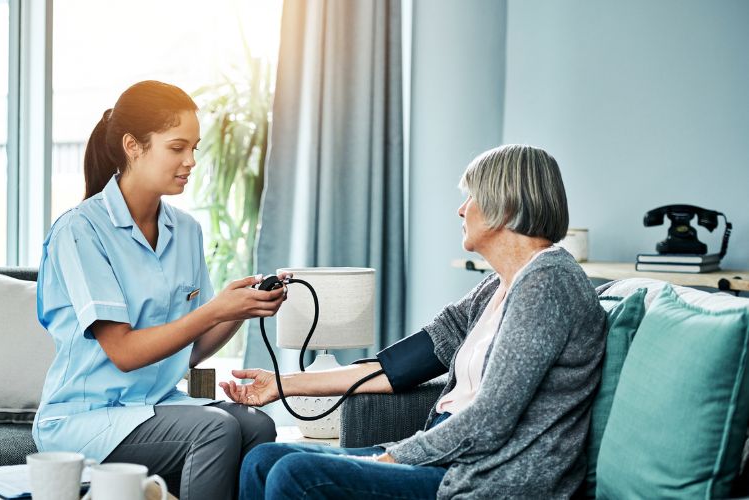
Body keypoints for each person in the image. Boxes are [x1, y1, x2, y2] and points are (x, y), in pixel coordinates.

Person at [221, 144, 607, 499]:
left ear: (503, 206)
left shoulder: (549, 283)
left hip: (489, 479)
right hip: (447, 459)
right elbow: (398, 367)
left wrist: (393, 458)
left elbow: (490, 419)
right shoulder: (495, 287)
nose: (461, 209)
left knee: (295, 474)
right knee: (263, 459)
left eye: (470, 196)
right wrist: (282, 385)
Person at [32, 80, 287, 500]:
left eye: (195, 148)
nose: (190, 161)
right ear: (133, 146)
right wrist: (215, 309)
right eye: (177, 148)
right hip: (85, 419)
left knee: (258, 424)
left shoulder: (185, 231)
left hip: (155, 405)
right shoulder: (81, 230)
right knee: (214, 429)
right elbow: (126, 353)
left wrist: (239, 308)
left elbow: (191, 349)